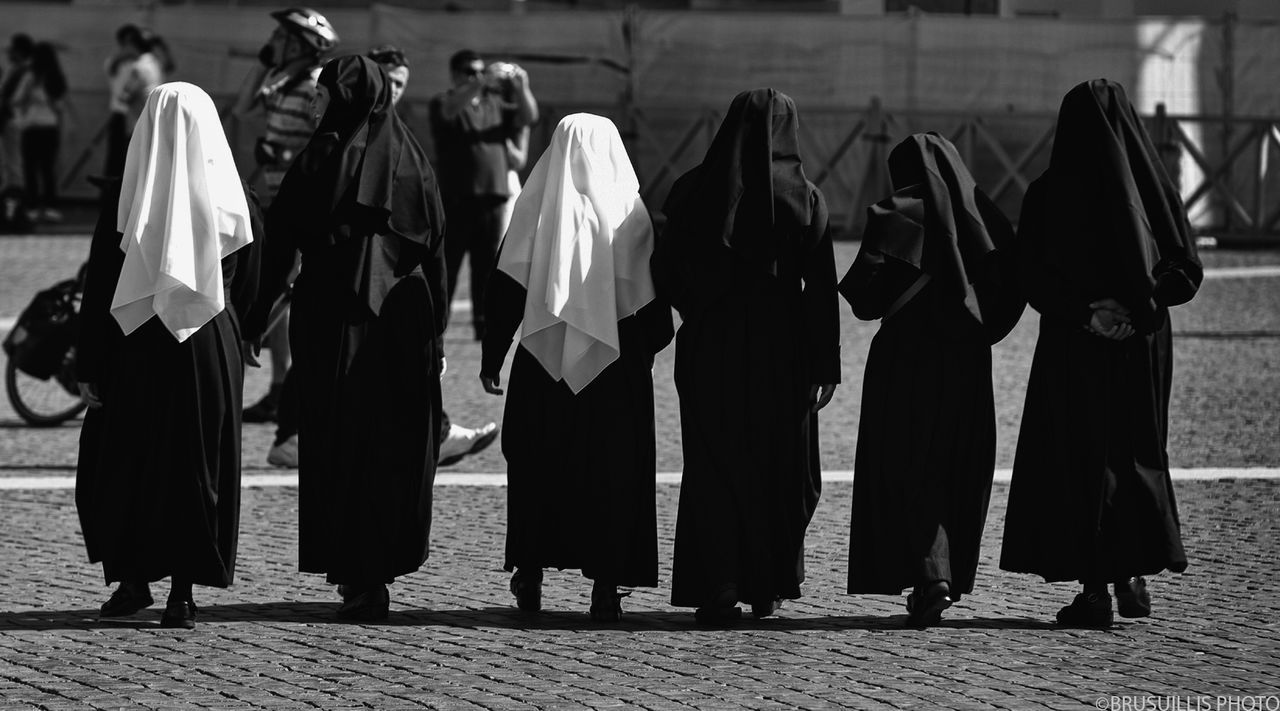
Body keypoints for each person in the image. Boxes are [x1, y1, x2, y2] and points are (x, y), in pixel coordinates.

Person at [242, 55, 447, 621]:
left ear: (344, 97)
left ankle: (357, 571)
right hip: (405, 322)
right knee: (393, 444)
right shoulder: (413, 160)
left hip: (333, 319)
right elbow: (435, 252)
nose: (313, 104)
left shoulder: (321, 157)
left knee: (341, 441)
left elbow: (280, 242)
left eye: (321, 93)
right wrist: (440, 334)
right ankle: (377, 566)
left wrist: (254, 316)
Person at [1000, 79, 1203, 628]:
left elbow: (1031, 276)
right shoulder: (1155, 189)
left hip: (1076, 344)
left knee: (1083, 458)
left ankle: (1094, 590)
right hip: (1141, 345)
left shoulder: (1047, 192)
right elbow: (1185, 269)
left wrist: (1088, 314)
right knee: (1134, 451)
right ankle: (1131, 573)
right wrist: (1140, 309)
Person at [75, 82, 262, 630]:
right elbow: (250, 276)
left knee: (127, 459)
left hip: (134, 344)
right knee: (194, 463)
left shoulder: (126, 193)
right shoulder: (235, 192)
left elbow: (100, 285)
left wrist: (89, 362)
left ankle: (134, 581)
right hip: (207, 345)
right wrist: (237, 332)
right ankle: (183, 590)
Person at [653, 88, 841, 624]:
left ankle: (718, 582)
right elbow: (820, 289)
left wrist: (699, 310)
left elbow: (664, 271)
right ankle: (769, 584)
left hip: (711, 347)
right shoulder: (804, 196)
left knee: (713, 465)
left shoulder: (690, 191)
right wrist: (825, 364)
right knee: (779, 468)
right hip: (784, 351)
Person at [480, 114, 674, 622]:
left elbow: (505, 289)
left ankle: (530, 571)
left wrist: (491, 357)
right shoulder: (632, 216)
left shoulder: (532, 211)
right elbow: (653, 306)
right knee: (612, 472)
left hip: (541, 364)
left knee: (537, 466)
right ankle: (607, 585)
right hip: (617, 369)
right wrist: (647, 349)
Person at [838, 133, 1025, 627]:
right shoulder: (987, 217)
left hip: (904, 361)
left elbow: (865, 302)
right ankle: (944, 573)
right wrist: (976, 330)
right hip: (966, 363)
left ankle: (929, 576)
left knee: (908, 465)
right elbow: (1012, 295)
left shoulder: (895, 214)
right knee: (956, 465)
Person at [368, 44, 499, 467]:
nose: (394, 91)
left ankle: (437, 429)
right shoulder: (435, 109)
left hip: (393, 268)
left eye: (402, 84)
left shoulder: (395, 129)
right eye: (388, 82)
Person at [233, 7, 338, 447]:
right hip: (273, 199)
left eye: (281, 35)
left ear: (300, 44)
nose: (273, 38)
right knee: (274, 296)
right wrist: (263, 60)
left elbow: (323, 143)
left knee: (277, 297)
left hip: (294, 205)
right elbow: (241, 108)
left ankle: (285, 390)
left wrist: (281, 157)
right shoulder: (284, 82)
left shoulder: (315, 83)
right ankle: (278, 387)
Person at [429, 49, 538, 341]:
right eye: (469, 71)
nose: (476, 76)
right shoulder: (444, 101)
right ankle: (437, 325)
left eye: (479, 71)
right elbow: (449, 110)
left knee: (486, 267)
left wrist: (521, 84)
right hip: (457, 197)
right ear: (455, 74)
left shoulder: (495, 104)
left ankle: (483, 326)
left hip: (493, 196)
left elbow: (529, 116)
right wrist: (482, 81)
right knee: (448, 267)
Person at [11, 42, 71, 223]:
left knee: (30, 168)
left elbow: (16, 100)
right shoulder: (57, 77)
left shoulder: (31, 77)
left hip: (31, 127)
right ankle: (51, 206)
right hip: (50, 127)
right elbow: (61, 106)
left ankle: (33, 206)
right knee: (48, 169)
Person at [103, 25, 168, 180]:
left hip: (136, 123)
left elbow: (125, 96)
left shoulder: (138, 67)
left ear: (132, 45)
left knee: (126, 168)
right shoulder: (154, 63)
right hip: (152, 120)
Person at [1, 34, 35, 192]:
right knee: (9, 162)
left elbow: (14, 98)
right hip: (11, 119)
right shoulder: (16, 70)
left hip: (14, 119)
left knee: (14, 163)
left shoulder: (24, 72)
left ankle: (14, 200)